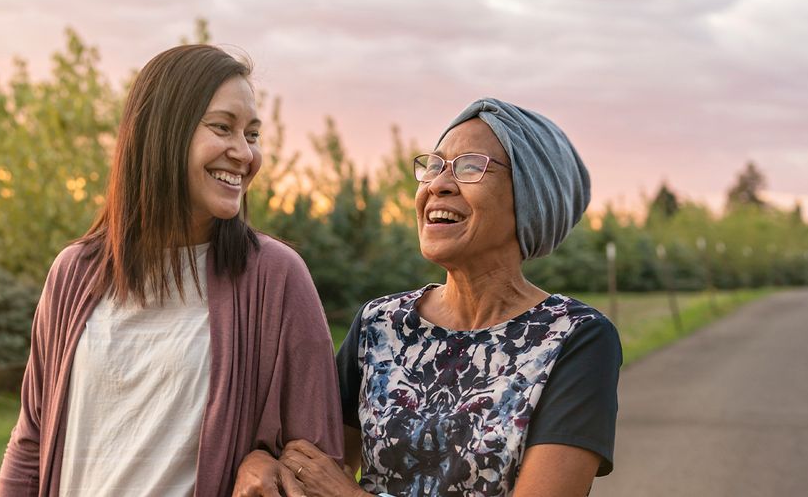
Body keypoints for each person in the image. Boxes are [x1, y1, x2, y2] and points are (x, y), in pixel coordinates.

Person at [0, 44, 342, 497]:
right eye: (223, 128)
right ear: (163, 132)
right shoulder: (74, 273)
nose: (244, 153)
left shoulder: (275, 278)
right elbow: (31, 441)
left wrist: (265, 464)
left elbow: (316, 466)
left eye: (252, 135)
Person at [241, 98, 620, 497]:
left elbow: (331, 486)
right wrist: (259, 459)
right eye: (435, 166)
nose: (438, 183)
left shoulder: (576, 339)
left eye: (471, 166)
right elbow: (308, 464)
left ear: (531, 200)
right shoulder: (380, 324)